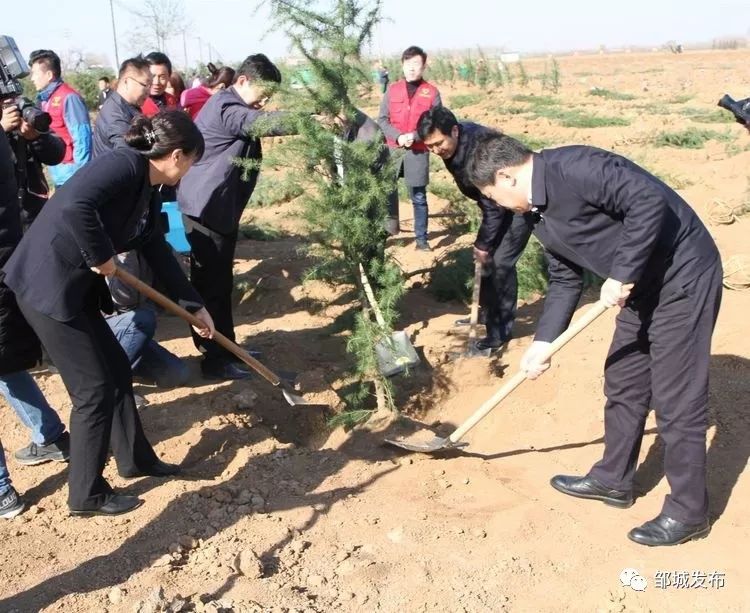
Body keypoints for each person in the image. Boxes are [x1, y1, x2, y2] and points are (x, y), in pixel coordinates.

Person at [466, 132, 723, 547]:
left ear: (506, 176)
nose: (495, 204)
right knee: (624, 381)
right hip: (637, 289)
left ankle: (689, 512)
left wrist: (621, 273)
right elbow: (566, 278)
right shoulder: (536, 214)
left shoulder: (579, 167)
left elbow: (647, 201)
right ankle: (613, 480)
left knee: (677, 400)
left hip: (682, 278)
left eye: (492, 195)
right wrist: (543, 342)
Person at [3, 111, 215, 517]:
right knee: (93, 389)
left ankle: (136, 460)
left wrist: (193, 307)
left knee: (117, 369)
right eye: (191, 160)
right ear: (175, 155)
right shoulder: (123, 164)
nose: (190, 169)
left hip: (75, 288)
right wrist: (100, 254)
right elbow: (74, 205)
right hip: (46, 285)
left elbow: (155, 249)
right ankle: (86, 493)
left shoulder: (148, 188)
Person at [178, 54, 288, 381]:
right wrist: (310, 120)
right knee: (210, 288)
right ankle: (214, 360)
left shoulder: (238, 104)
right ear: (243, 81)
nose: (266, 101)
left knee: (221, 285)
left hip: (219, 210)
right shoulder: (226, 106)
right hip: (205, 209)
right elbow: (256, 124)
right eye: (263, 93)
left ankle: (229, 349)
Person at [0, 116, 70, 519]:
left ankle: (2, 490)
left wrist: (31, 135)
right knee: (6, 361)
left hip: (15, 246)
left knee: (8, 357)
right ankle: (49, 434)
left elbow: (55, 152)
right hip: (11, 250)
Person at [417, 107, 532, 351]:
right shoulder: (457, 144)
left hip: (517, 203)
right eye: (430, 147)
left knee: (500, 263)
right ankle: (487, 312)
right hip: (496, 202)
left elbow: (495, 208)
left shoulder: (475, 153)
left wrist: (482, 244)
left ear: (455, 131)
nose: (437, 151)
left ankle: (499, 332)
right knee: (488, 261)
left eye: (439, 143)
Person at [377, 45, 441, 251]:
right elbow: (383, 120)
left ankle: (421, 240)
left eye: (417, 64)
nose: (412, 69)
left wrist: (413, 136)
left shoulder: (431, 93)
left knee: (419, 197)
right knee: (386, 193)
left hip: (418, 151)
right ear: (402, 65)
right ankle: (384, 235)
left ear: (423, 67)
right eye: (408, 64)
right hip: (393, 151)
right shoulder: (392, 90)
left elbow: (435, 123)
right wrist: (398, 136)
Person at [105, 250, 190, 388]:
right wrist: (127, 252)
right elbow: (125, 298)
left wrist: (162, 247)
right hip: (100, 329)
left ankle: (124, 367)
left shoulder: (146, 243)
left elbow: (177, 284)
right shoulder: (103, 246)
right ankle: (109, 387)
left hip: (132, 333)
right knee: (142, 320)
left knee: (177, 374)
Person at [28, 49, 92, 187]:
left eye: (34, 74)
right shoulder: (43, 100)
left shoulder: (69, 97)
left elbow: (82, 139)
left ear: (49, 74)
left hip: (72, 174)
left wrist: (82, 177)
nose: (32, 79)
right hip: (57, 173)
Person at [93, 56, 153, 157]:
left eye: (150, 86)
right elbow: (128, 157)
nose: (149, 91)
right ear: (127, 81)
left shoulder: (126, 106)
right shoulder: (116, 115)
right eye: (145, 85)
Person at [141, 52, 178, 117]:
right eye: (152, 76)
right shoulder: (136, 101)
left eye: (162, 77)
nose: (156, 82)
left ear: (169, 77)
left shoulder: (172, 100)